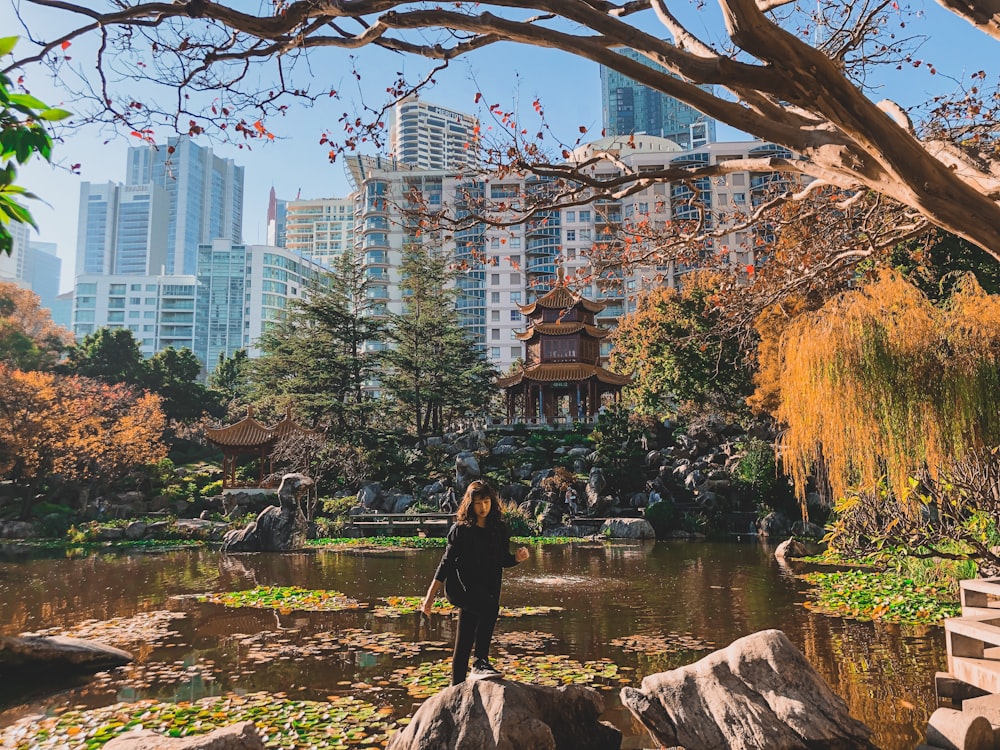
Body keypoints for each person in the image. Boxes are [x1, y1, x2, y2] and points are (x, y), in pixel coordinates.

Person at [420, 479, 529, 684]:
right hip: (461, 587)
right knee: (489, 609)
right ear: (470, 504)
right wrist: (429, 597)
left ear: (492, 502)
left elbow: (502, 560)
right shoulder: (460, 530)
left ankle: (456, 686)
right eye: (478, 503)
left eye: (486, 502)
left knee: (464, 640)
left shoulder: (499, 529)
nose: (483, 507)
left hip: (487, 587)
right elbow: (446, 564)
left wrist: (516, 558)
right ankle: (480, 662)